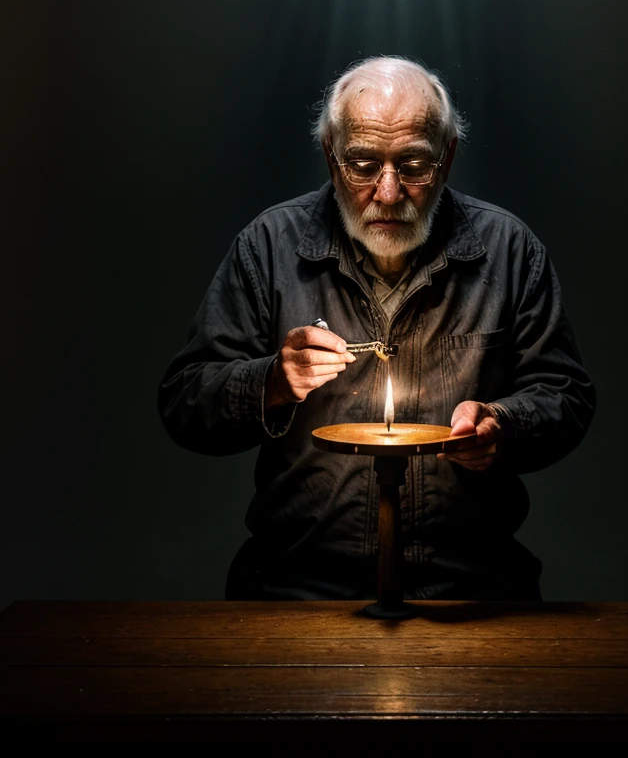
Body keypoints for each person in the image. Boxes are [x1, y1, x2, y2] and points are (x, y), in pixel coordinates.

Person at [158, 56, 596, 601]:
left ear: (448, 156)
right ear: (330, 156)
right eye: (363, 165)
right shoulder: (269, 247)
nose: (388, 194)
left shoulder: (508, 250)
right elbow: (183, 402)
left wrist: (504, 425)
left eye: (413, 166)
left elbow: (567, 395)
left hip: (469, 588)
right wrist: (271, 381)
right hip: (297, 588)